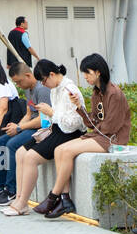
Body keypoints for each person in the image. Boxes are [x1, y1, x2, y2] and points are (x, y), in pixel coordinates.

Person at [43, 53, 132, 219]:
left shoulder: (114, 94)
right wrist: (78, 106)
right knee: (59, 150)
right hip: (100, 135)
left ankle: (53, 196)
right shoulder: (97, 93)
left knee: (67, 151)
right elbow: (92, 122)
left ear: (98, 72)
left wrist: (91, 132)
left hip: (112, 140)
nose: (85, 77)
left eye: (87, 73)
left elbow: (110, 126)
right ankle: (65, 198)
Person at [1, 61, 85, 216]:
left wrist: (51, 112)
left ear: (52, 75)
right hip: (55, 128)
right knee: (20, 152)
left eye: (44, 81)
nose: (44, 85)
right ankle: (19, 199)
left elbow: (76, 122)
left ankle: (22, 203)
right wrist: (48, 115)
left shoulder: (69, 89)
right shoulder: (54, 89)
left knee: (31, 158)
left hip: (69, 133)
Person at [0, 62, 47, 205]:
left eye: (19, 82)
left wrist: (20, 129)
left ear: (28, 75)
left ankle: (11, 190)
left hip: (41, 129)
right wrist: (17, 126)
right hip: (29, 126)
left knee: (12, 145)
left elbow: (42, 120)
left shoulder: (42, 90)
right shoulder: (29, 90)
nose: (18, 86)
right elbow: (29, 114)